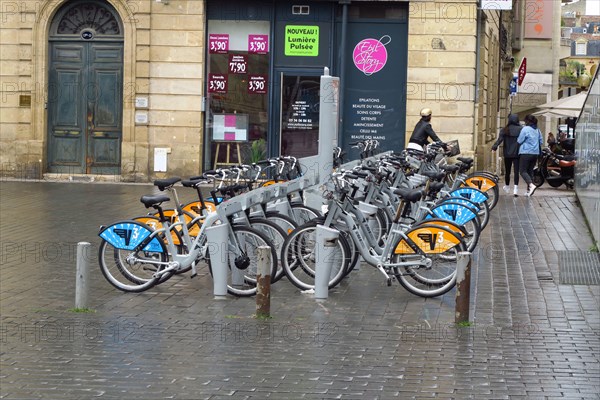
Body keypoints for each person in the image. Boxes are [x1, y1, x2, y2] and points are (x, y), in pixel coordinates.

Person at [492, 114, 522, 197]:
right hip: (517, 153)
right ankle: (515, 189)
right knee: (516, 172)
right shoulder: (521, 129)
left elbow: (499, 140)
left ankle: (507, 186)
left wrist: (494, 147)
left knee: (507, 171)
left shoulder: (505, 129)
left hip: (507, 153)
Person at [517, 114, 543, 197]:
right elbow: (541, 141)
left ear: (528, 121)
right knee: (530, 171)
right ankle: (529, 191)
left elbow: (519, 140)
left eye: (525, 121)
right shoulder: (538, 130)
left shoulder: (525, 129)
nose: (525, 122)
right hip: (535, 153)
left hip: (526, 152)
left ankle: (531, 185)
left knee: (522, 171)